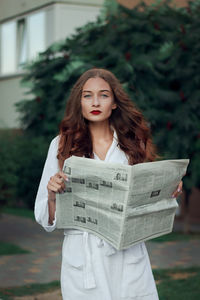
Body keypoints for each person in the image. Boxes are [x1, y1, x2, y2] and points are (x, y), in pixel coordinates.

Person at [35, 68, 182, 300]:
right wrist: (53, 195)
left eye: (103, 95)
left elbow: (149, 206)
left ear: (114, 102)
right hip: (83, 260)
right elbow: (47, 220)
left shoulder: (133, 144)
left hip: (128, 255)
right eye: (87, 95)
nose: (95, 102)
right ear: (79, 102)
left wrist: (168, 191)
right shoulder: (61, 145)